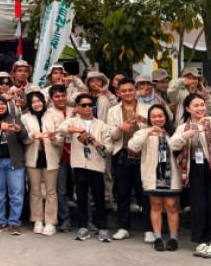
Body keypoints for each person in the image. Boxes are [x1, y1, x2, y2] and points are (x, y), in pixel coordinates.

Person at [169, 94, 211, 259]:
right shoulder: (183, 127)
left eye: (202, 105)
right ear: (188, 108)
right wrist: (187, 135)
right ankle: (202, 240)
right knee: (199, 206)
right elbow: (173, 144)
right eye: (196, 105)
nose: (200, 108)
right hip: (195, 169)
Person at [58, 94, 112, 242]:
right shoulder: (72, 121)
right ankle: (83, 227)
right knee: (81, 197)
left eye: (90, 105)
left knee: (99, 198)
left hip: (96, 165)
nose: (88, 107)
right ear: (77, 107)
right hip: (79, 164)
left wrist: (99, 144)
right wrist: (79, 131)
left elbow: (109, 147)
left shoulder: (101, 124)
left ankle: (102, 228)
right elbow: (61, 129)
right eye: (84, 105)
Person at [128, 105, 181, 252]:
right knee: (156, 205)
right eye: (154, 116)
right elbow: (133, 147)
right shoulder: (143, 132)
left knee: (171, 206)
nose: (157, 119)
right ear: (149, 118)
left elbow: (180, 146)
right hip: (153, 175)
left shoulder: (174, 132)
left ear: (166, 117)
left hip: (171, 174)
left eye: (160, 116)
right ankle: (157, 237)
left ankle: (173, 238)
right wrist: (148, 133)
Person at [106, 77, 152, 242]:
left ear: (136, 91)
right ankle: (123, 227)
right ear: (118, 93)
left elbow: (155, 127)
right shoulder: (113, 111)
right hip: (122, 154)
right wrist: (120, 128)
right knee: (122, 193)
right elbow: (110, 135)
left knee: (144, 193)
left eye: (130, 90)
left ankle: (149, 229)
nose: (127, 93)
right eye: (123, 91)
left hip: (143, 154)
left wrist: (142, 121)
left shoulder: (147, 108)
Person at [0, 95, 29, 235]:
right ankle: (0, 221)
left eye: (3, 104)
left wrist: (18, 130)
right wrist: (0, 125)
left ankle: (14, 223)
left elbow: (25, 135)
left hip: (15, 160)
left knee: (16, 194)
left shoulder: (14, 118)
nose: (0, 106)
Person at [21, 91, 63, 236]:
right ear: (29, 104)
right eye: (33, 102)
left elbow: (61, 139)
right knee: (35, 191)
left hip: (50, 157)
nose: (37, 104)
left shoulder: (54, 115)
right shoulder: (25, 117)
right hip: (32, 157)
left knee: (51, 192)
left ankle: (50, 222)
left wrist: (53, 138)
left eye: (39, 101)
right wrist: (32, 135)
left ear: (44, 102)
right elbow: (23, 140)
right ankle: (37, 219)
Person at [46, 85, 74, 232]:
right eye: (57, 96)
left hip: (77, 154)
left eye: (63, 95)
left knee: (81, 189)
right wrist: (54, 138)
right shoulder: (49, 113)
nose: (61, 98)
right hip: (59, 155)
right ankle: (65, 219)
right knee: (61, 190)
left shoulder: (74, 110)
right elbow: (55, 135)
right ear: (52, 98)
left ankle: (87, 220)